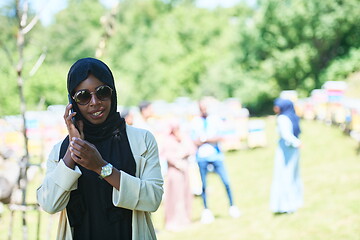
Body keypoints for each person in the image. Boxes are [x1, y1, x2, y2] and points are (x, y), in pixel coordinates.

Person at [37, 58, 163, 240]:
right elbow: (49, 204)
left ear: (113, 93)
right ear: (72, 102)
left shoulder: (142, 140)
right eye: (83, 96)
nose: (94, 102)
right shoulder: (61, 151)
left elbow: (153, 199)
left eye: (102, 92)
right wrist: (73, 151)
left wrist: (101, 167)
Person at [191, 98, 240, 224]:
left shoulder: (215, 119)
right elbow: (194, 139)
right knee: (203, 185)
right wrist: (204, 140)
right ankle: (206, 210)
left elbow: (220, 136)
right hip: (202, 157)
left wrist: (206, 139)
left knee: (226, 181)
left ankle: (232, 206)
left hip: (216, 155)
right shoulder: (195, 121)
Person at [160, 119, 196, 231]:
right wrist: (177, 161)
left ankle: (185, 218)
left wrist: (183, 153)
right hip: (174, 171)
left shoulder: (183, 137)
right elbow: (166, 154)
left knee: (185, 194)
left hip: (184, 170)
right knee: (175, 196)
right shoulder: (167, 139)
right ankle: (173, 221)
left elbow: (191, 148)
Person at [270, 98, 303, 214]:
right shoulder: (289, 116)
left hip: (287, 149)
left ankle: (288, 205)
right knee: (291, 175)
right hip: (292, 148)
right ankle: (292, 203)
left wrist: (295, 142)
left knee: (286, 175)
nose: (275, 108)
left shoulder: (283, 118)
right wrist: (297, 143)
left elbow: (286, 135)